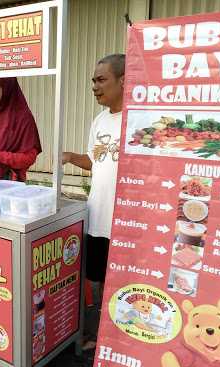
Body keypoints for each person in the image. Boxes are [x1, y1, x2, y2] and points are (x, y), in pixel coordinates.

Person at [62, 54, 125, 349]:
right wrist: (71, 158)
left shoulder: (139, 121)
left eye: (102, 80)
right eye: (93, 81)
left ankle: (120, 341)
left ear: (124, 80)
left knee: (123, 283)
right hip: (97, 215)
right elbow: (96, 161)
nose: (95, 87)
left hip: (125, 221)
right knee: (97, 278)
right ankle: (101, 338)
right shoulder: (99, 119)